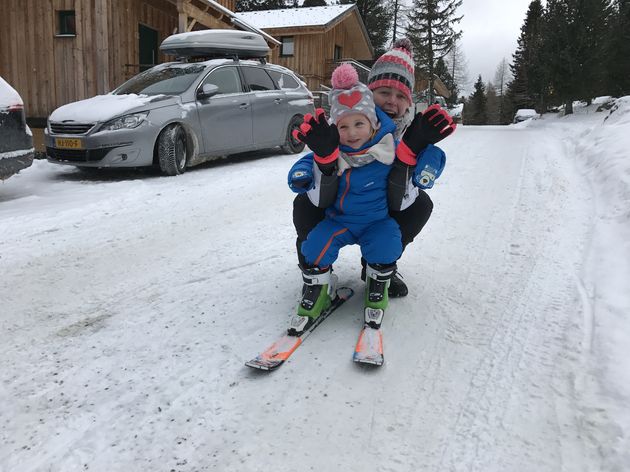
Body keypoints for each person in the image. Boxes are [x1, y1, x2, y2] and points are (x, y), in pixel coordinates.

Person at [291, 38, 456, 298]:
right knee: (304, 203)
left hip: (381, 208)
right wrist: (321, 159)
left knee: (421, 204)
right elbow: (312, 171)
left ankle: (378, 265)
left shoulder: (411, 132)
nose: (392, 101)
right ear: (370, 93)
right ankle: (316, 270)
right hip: (337, 204)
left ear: (409, 102)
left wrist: (413, 155)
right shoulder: (344, 124)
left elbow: (405, 195)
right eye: (384, 92)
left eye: (401, 95)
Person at [287, 63, 402, 334]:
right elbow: (308, 161)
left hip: (376, 221)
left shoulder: (387, 149)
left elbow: (416, 157)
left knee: (387, 244)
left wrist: (429, 162)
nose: (352, 133)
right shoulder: (332, 150)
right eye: (344, 126)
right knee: (314, 247)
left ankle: (378, 284)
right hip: (340, 221)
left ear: (373, 125)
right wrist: (302, 173)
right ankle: (319, 287)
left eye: (359, 124)